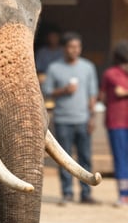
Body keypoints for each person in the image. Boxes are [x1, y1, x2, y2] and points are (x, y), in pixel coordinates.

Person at [42, 31, 99, 204]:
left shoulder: (88, 67)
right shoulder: (54, 68)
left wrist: (92, 118)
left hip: (83, 120)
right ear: (64, 48)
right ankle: (67, 192)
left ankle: (86, 193)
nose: (74, 50)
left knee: (85, 157)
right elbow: (46, 91)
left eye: (77, 47)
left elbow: (92, 95)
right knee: (64, 159)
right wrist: (64, 90)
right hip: (62, 120)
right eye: (71, 47)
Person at [99, 40, 128, 207]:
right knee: (121, 159)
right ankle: (124, 194)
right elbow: (119, 91)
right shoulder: (112, 74)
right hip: (117, 123)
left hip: (118, 122)